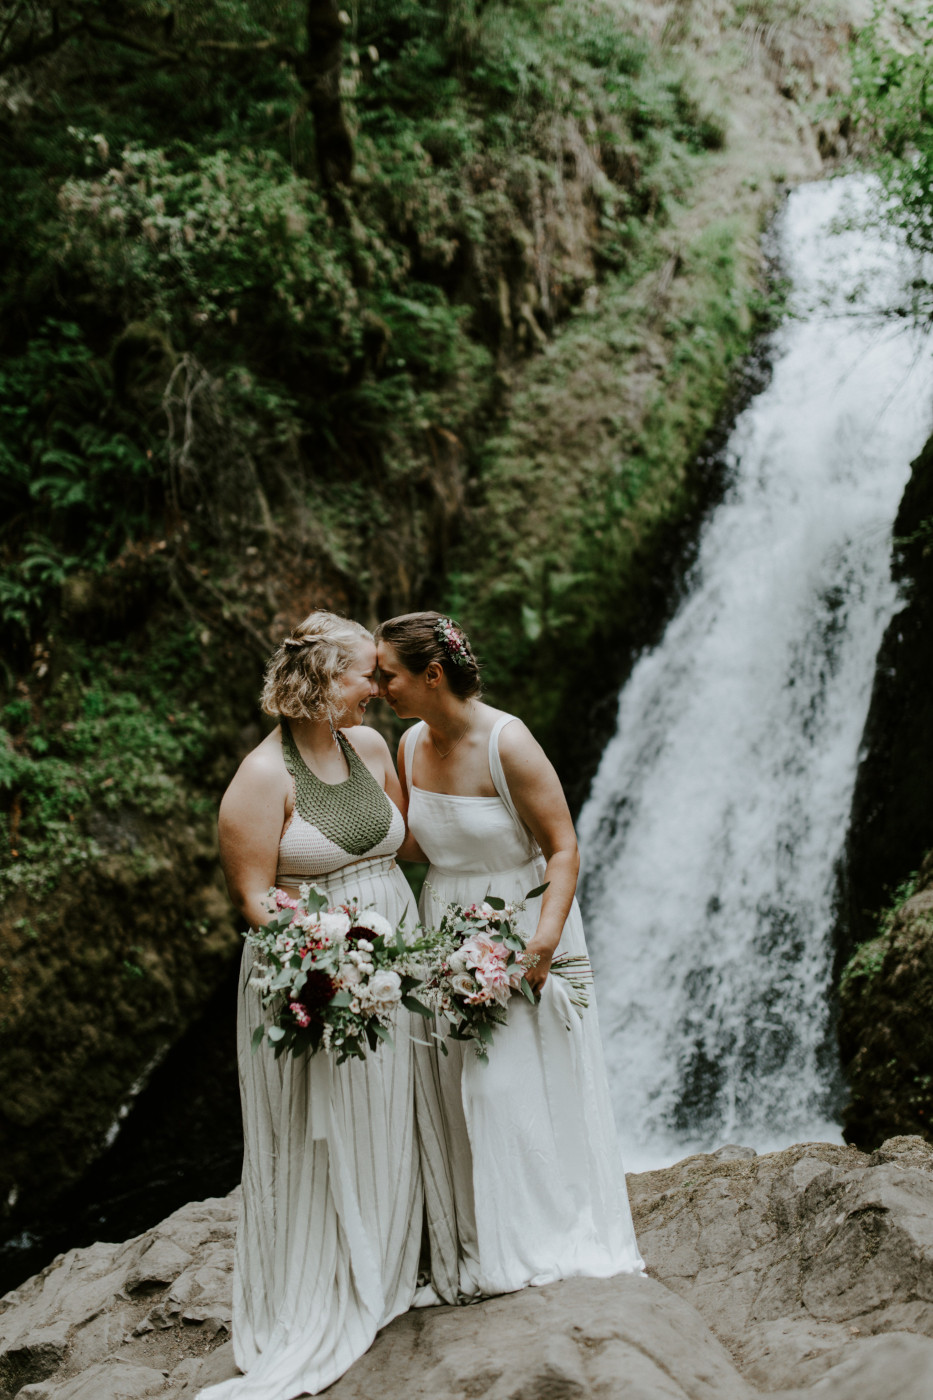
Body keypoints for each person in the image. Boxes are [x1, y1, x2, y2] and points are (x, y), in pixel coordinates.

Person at [375, 610, 644, 1301]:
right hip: (446, 925)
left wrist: (543, 943)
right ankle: (477, 1243)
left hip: (521, 926)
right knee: (460, 1089)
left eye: (388, 675)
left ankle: (538, 1240)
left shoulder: (507, 742)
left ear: (431, 675)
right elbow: (410, 847)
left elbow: (562, 846)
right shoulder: (406, 746)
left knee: (509, 1087)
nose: (378, 688)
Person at [201, 611, 425, 1400]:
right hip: (318, 969)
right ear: (325, 684)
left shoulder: (369, 748)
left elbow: (404, 846)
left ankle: (400, 1254)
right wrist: (329, 956)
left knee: (398, 1103)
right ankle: (336, 1271)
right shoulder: (263, 780)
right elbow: (257, 899)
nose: (382, 684)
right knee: (328, 1122)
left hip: (395, 946)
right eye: (368, 673)